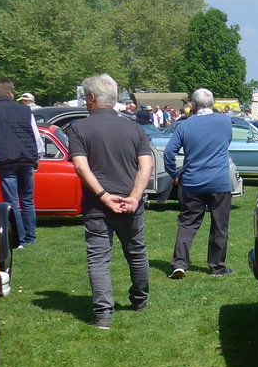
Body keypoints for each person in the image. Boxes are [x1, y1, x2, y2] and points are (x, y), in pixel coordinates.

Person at [66, 74, 152, 329]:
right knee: (136, 253)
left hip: (97, 205)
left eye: (85, 96)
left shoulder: (79, 128)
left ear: (92, 98)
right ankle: (140, 301)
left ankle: (103, 315)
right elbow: (146, 166)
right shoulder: (134, 128)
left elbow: (81, 168)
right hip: (129, 203)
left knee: (98, 258)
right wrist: (134, 197)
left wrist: (103, 196)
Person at [164, 87, 234, 279]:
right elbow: (227, 141)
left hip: (192, 181)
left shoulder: (185, 125)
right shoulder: (225, 121)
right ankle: (217, 267)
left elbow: (169, 153)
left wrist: (173, 174)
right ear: (213, 103)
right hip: (219, 181)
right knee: (220, 225)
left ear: (193, 106)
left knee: (187, 223)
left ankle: (179, 263)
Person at [0, 79, 41, 247]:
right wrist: (36, 157)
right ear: (11, 92)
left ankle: (18, 240)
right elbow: (36, 136)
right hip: (26, 159)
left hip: (5, 160)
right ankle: (30, 238)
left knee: (12, 202)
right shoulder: (25, 110)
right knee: (27, 200)